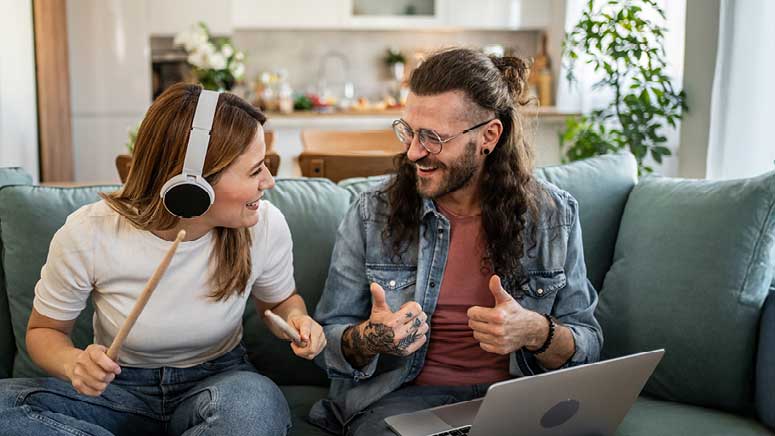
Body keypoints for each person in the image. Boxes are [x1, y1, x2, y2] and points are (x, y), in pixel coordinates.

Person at [0, 83, 326, 436]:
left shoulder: (263, 224)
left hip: (219, 381)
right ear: (193, 183)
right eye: (255, 170)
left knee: (254, 404)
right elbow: (44, 331)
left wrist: (296, 319)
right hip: (118, 389)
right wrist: (73, 362)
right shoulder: (88, 232)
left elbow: (279, 302)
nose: (269, 182)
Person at [309, 47, 603, 435]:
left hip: (515, 400)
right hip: (403, 401)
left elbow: (588, 345)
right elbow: (325, 342)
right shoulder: (372, 212)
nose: (413, 152)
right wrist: (369, 339)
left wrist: (535, 331)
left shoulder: (551, 215)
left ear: (489, 136)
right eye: (409, 131)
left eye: (432, 138)